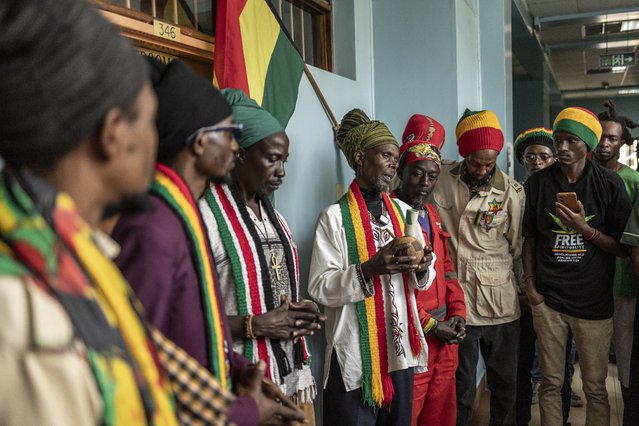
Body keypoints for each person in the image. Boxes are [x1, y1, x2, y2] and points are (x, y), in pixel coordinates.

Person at [0, 0, 178, 423]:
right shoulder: (18, 309)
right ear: (114, 134)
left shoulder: (80, 256)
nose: (158, 141)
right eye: (151, 120)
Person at [112, 59, 305, 426]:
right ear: (201, 142)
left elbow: (195, 330)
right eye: (230, 134)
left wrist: (241, 369)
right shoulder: (152, 227)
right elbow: (140, 358)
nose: (237, 148)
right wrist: (246, 411)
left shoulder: (182, 213)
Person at [199, 88, 324, 422]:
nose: (282, 171)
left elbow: (277, 289)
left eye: (285, 161)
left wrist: (299, 312)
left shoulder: (275, 219)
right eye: (273, 159)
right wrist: (256, 325)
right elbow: (193, 320)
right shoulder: (206, 217)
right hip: (242, 385)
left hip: (292, 377)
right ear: (239, 155)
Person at [308, 108, 435, 425]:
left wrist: (422, 265)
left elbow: (423, 280)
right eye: (386, 155)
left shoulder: (405, 214)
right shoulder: (334, 218)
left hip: (398, 349)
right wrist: (368, 269)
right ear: (361, 157)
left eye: (395, 157)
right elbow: (319, 287)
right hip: (354, 355)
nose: (394, 163)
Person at [522, 106, 632, 426]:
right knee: (551, 383)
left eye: (571, 141)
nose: (563, 148)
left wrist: (586, 231)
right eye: (559, 140)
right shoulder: (538, 184)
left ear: (588, 144)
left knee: (596, 387)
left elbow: (623, 249)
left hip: (594, 303)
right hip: (549, 301)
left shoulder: (609, 184)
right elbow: (530, 239)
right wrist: (531, 288)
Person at [431, 108, 525, 426]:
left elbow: (518, 247)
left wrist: (527, 293)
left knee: (504, 386)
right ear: (463, 154)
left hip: (501, 306)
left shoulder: (511, 194)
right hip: (457, 306)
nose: (483, 168)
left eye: (489, 162)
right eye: (475, 161)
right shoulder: (440, 179)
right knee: (460, 388)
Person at [393, 114, 466, 426]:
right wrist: (430, 326)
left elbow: (447, 269)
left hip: (445, 336)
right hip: (416, 336)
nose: (424, 183)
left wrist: (459, 312)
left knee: (441, 415)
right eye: (416, 174)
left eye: (432, 176)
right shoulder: (388, 215)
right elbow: (393, 289)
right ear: (401, 171)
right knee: (410, 413)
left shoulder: (432, 214)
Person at [513, 128, 582, 426]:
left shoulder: (564, 193)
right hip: (519, 290)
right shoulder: (514, 193)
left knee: (560, 365)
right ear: (522, 161)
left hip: (556, 292)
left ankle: (560, 418)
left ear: (554, 158)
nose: (537, 162)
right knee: (521, 362)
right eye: (530, 157)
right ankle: (520, 419)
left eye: (544, 156)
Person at [594, 100, 639, 410]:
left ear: (623, 142)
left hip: (624, 283)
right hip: (589, 281)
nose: (605, 143)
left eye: (613, 138)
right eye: (601, 136)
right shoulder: (582, 175)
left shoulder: (633, 181)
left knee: (625, 358)